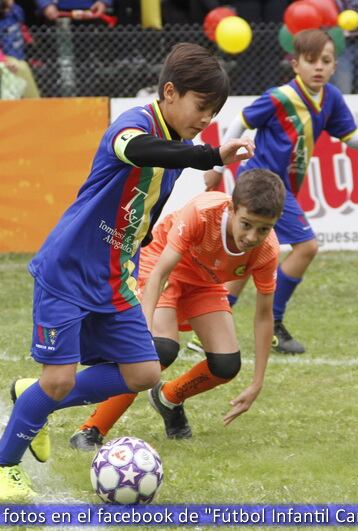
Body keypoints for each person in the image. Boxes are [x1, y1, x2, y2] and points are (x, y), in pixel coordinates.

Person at [0, 42, 254, 501]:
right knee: (60, 379)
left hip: (112, 277)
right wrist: (208, 156)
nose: (206, 118)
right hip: (69, 270)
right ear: (170, 92)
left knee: (144, 371)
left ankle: (36, 395)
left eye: (214, 111)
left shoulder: (178, 147)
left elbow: (144, 210)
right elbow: (139, 151)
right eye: (201, 106)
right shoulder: (134, 125)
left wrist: (138, 246)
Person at [69, 169, 284, 450]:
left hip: (204, 283)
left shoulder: (267, 250)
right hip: (161, 265)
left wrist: (257, 383)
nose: (252, 236)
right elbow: (160, 273)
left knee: (226, 365)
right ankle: (91, 429)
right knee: (159, 351)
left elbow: (264, 316)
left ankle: (168, 397)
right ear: (231, 209)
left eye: (263, 229)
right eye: (246, 224)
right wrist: (142, 332)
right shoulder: (202, 212)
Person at [202, 29, 358, 355]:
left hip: (280, 188)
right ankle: (274, 323)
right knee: (306, 246)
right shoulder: (280, 97)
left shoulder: (332, 98)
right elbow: (240, 122)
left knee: (246, 255)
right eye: (311, 61)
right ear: (295, 64)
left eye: (325, 61)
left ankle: (207, 326)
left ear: (334, 64)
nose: (319, 68)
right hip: (261, 182)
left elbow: (349, 135)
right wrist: (216, 166)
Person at [0, 0, 41, 99]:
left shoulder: (15, 14)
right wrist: (2, 60)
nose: (8, 10)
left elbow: (21, 20)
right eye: (5, 8)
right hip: (7, 57)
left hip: (20, 55)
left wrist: (28, 38)